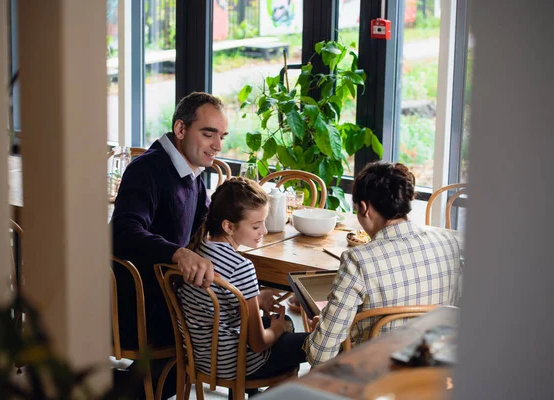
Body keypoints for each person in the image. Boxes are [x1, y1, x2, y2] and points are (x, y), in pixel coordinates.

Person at [110, 92, 228, 398]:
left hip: (168, 296)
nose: (218, 145)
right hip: (137, 305)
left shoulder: (193, 174)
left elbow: (203, 231)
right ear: (180, 129)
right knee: (231, 330)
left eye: (222, 136)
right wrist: (177, 252)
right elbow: (122, 231)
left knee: (245, 320)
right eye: (208, 134)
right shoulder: (147, 169)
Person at [304, 161, 463, 367]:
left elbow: (320, 356)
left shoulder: (358, 260)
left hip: (371, 381)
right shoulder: (449, 244)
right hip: (432, 375)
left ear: (364, 208)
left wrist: (319, 332)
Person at [179, 177, 309, 390]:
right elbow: (257, 344)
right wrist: (277, 329)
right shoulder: (241, 266)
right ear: (229, 226)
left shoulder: (196, 250)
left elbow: (222, 301)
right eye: (257, 226)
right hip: (233, 365)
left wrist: (256, 298)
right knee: (306, 338)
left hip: (200, 356)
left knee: (284, 323)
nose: (264, 232)